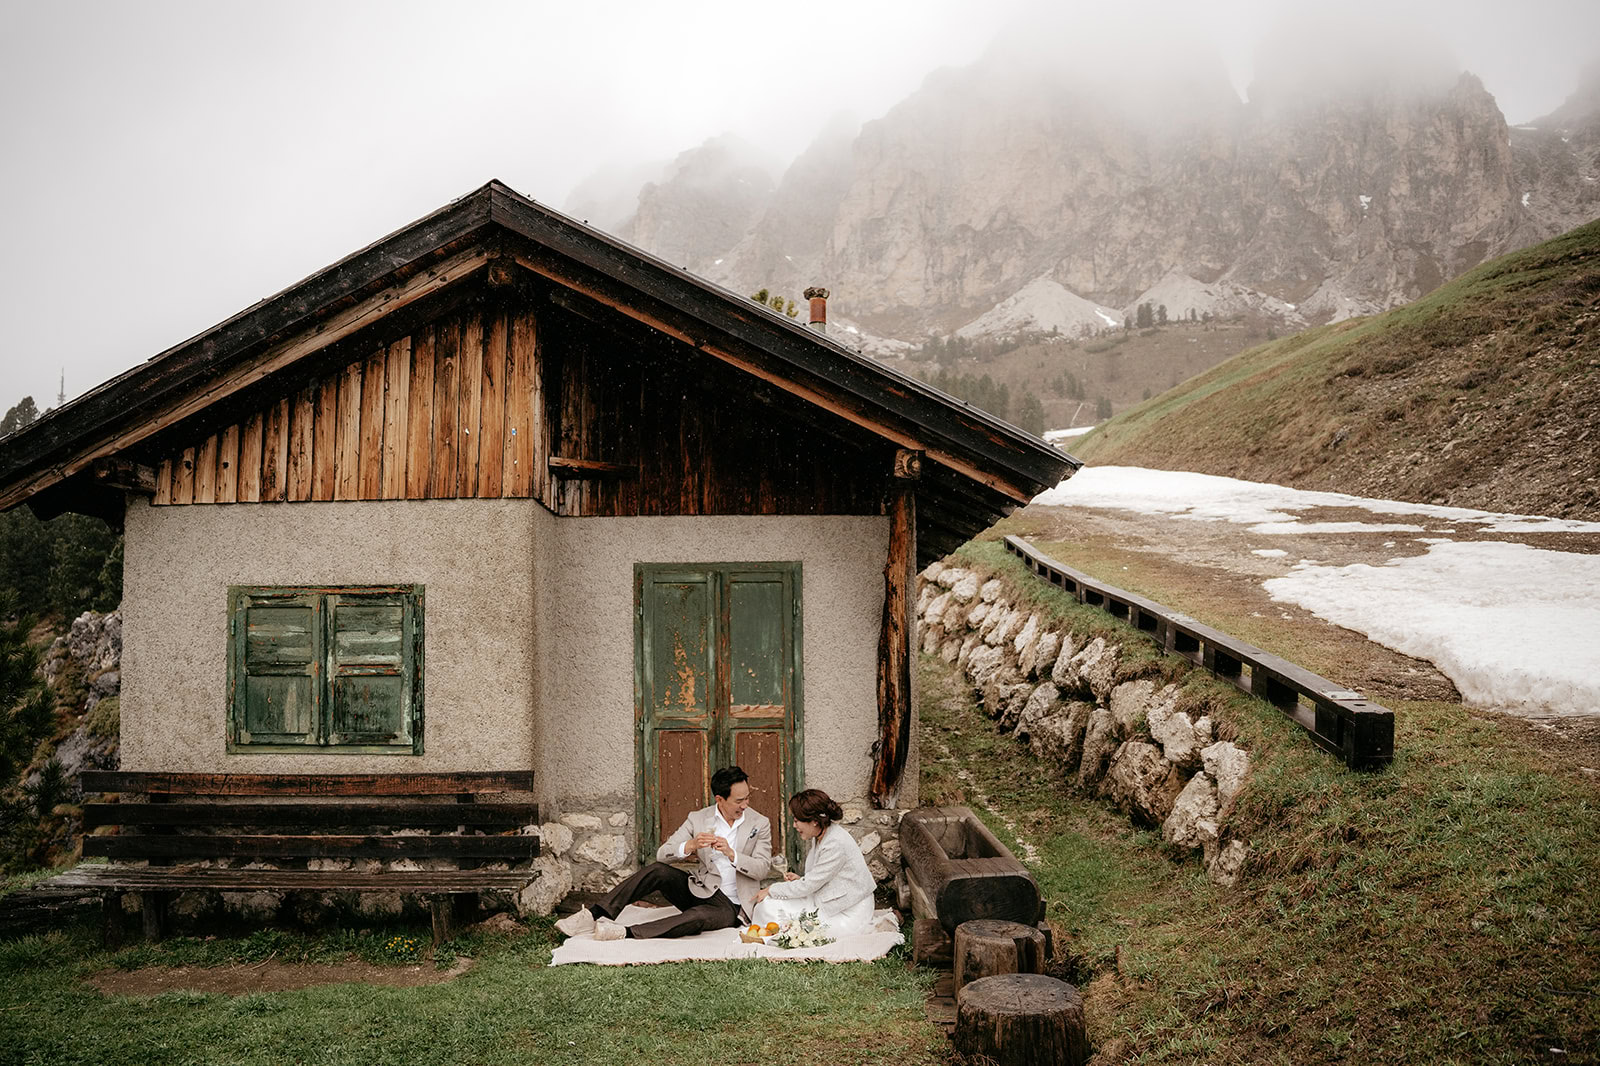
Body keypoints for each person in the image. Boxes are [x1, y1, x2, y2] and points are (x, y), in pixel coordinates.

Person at [554, 765, 772, 940]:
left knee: (697, 917)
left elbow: (762, 869)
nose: (745, 805)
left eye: (747, 798)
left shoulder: (759, 823)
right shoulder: (698, 818)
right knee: (658, 870)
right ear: (720, 799)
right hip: (701, 890)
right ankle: (592, 915)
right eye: (739, 800)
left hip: (732, 906)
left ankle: (626, 932)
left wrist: (731, 853)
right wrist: (690, 846)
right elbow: (662, 854)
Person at [751, 788, 875, 938]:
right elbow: (819, 878)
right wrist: (800, 880)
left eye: (797, 821)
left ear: (815, 821)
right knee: (768, 905)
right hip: (827, 900)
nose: (795, 826)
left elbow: (810, 885)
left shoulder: (835, 843)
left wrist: (771, 889)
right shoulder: (821, 835)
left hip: (847, 911)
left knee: (777, 912)